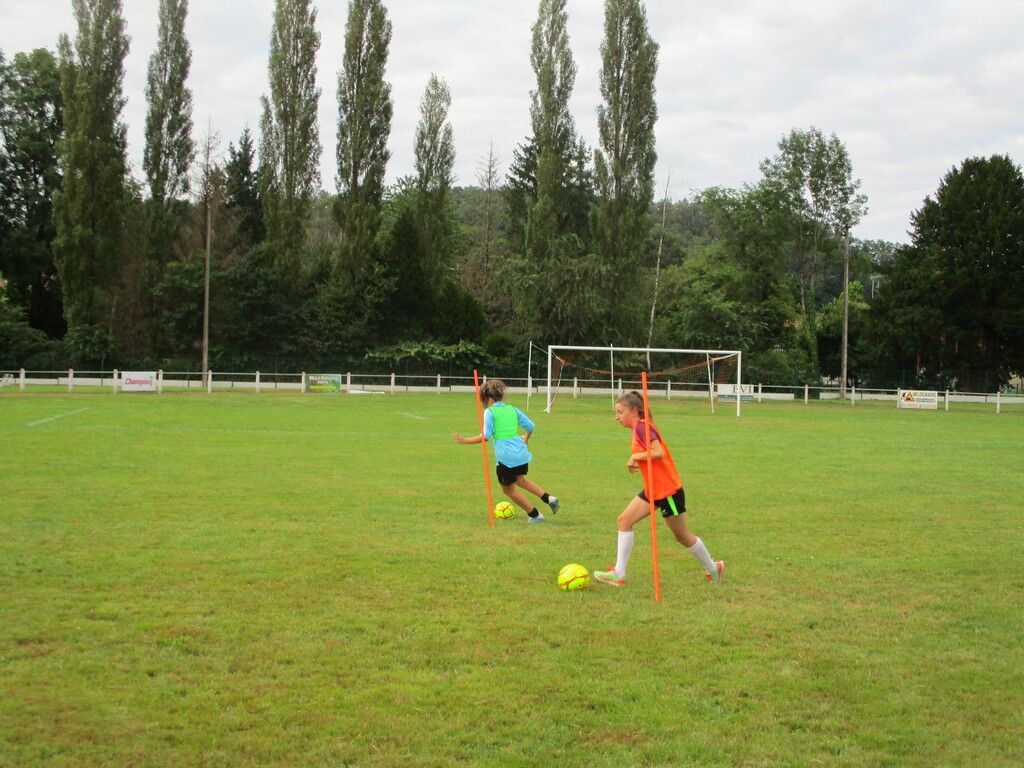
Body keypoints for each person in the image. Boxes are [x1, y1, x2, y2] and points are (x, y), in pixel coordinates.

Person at [593, 391, 723, 586]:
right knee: (624, 521)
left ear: (634, 412)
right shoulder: (639, 427)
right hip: (652, 489)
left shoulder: (642, 427)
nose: (616, 417)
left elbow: (658, 452)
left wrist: (635, 457)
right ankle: (619, 574)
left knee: (682, 536)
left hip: (668, 491)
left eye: (620, 412)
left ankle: (713, 568)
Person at [453, 379, 559, 523]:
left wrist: (465, 440)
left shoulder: (490, 412)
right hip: (521, 453)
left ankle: (535, 515)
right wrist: (526, 438)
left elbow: (486, 436)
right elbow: (530, 426)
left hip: (507, 458)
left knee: (508, 490)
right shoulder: (513, 409)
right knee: (521, 480)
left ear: (489, 399)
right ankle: (549, 498)